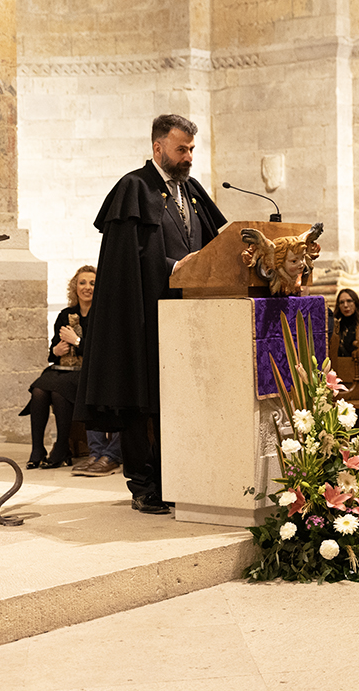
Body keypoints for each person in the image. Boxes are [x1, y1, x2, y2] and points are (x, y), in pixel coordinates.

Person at [77, 114, 227, 515]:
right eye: (181, 149)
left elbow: (212, 245)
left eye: (191, 149)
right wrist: (174, 266)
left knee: (179, 404)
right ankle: (144, 486)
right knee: (139, 403)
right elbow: (126, 260)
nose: (188, 156)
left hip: (188, 318)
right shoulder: (134, 187)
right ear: (158, 147)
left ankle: (176, 479)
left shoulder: (191, 191)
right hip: (143, 315)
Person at [20, 266, 96, 469]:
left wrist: (77, 341)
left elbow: (100, 353)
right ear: (75, 287)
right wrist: (57, 350)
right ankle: (37, 449)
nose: (87, 287)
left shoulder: (101, 315)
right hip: (63, 370)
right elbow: (52, 353)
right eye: (82, 283)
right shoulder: (66, 314)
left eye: (92, 283)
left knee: (58, 392)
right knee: (39, 390)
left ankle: (62, 447)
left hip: (88, 373)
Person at [334, 288, 359, 356]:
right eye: (342, 302)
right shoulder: (335, 327)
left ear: (355, 303)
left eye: (349, 301)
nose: (345, 305)